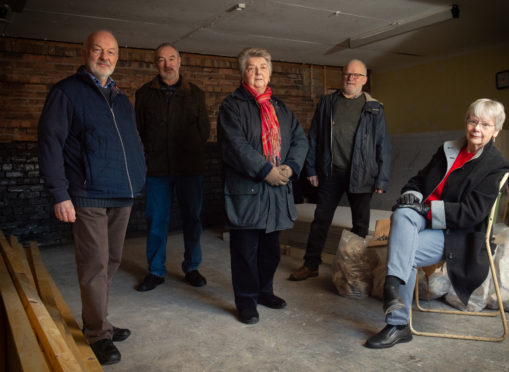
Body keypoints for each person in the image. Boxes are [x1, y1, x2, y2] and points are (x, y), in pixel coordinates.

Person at [365, 98, 509, 349]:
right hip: (422, 219)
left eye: (485, 124)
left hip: (456, 233)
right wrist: (412, 198)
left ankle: (398, 324)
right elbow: (419, 180)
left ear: (496, 131)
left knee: (405, 249)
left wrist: (425, 208)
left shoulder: (495, 165)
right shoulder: (449, 149)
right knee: (401, 214)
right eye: (473, 121)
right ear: (466, 123)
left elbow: (472, 213)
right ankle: (392, 287)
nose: (477, 128)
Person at [38, 30, 146, 365]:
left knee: (110, 262)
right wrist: (60, 194)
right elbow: (50, 144)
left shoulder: (120, 97)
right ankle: (97, 334)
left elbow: (132, 142)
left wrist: (139, 177)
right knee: (94, 265)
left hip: (121, 193)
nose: (105, 57)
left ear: (117, 56)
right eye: (98, 50)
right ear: (84, 52)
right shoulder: (67, 92)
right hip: (87, 194)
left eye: (111, 52)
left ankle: (102, 322)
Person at [217, 47, 308, 324]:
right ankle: (246, 301)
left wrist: (290, 167)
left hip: (278, 192)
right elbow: (236, 146)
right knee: (245, 252)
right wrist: (266, 170)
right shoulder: (231, 106)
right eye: (252, 67)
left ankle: (265, 291)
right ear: (243, 73)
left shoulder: (280, 108)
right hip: (248, 192)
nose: (258, 72)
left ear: (269, 73)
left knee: (270, 251)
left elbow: (300, 141)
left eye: (263, 67)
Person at [289, 59, 391, 281]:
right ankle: (311, 264)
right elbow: (314, 137)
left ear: (364, 80)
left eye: (356, 75)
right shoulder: (328, 102)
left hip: (362, 174)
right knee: (320, 220)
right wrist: (311, 169)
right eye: (347, 74)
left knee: (360, 226)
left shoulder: (374, 107)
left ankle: (355, 271)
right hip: (330, 172)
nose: (350, 78)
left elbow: (382, 144)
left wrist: (381, 179)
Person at [135, 43, 210, 291]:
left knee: (193, 219)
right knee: (156, 220)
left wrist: (188, 153)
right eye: (161, 59)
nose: (166, 64)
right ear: (155, 64)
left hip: (189, 169)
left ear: (180, 60)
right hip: (157, 169)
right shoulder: (144, 94)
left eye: (171, 58)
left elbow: (204, 131)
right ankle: (155, 271)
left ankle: (192, 267)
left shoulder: (196, 94)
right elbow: (141, 130)